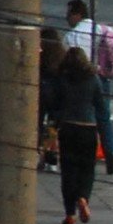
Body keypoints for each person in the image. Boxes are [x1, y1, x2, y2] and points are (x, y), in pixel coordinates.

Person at [44, 47, 101, 224]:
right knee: (87, 169)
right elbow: (101, 106)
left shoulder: (62, 79)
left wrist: (51, 130)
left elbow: (53, 104)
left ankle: (70, 214)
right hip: (88, 128)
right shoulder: (93, 79)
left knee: (68, 171)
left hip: (68, 128)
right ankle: (83, 197)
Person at [63, 0, 113, 176]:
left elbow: (66, 60)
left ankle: (86, 154)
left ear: (77, 14)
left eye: (69, 14)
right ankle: (110, 153)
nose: (67, 19)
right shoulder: (101, 30)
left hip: (82, 80)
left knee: (84, 118)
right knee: (104, 116)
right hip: (102, 78)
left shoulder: (72, 36)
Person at [37, 28, 65, 172]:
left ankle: (41, 154)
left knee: (39, 125)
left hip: (42, 95)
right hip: (58, 98)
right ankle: (51, 157)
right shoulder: (62, 57)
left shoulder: (42, 57)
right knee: (53, 128)